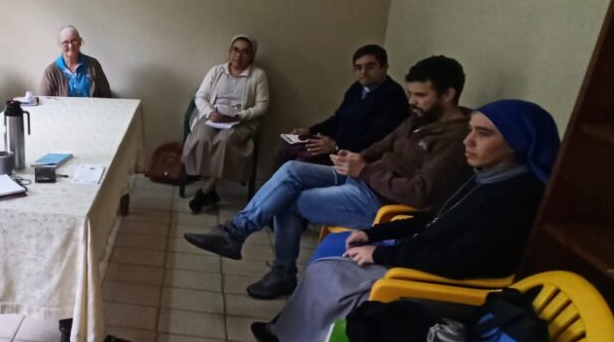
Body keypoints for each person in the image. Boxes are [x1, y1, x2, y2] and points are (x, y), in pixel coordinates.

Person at [251, 99, 559, 342]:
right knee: (327, 266)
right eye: (470, 130)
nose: (468, 141)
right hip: (423, 259)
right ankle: (287, 334)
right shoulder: (481, 175)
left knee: (337, 278)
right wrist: (372, 233)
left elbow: (458, 262)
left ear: (517, 144)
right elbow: (432, 218)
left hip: (448, 286)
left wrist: (381, 254)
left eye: (484, 134)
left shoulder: (516, 199)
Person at [184, 56, 473, 299]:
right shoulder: (422, 119)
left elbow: (420, 193)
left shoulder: (455, 139)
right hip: (362, 178)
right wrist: (357, 157)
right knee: (291, 170)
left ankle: (278, 270)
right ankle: (236, 232)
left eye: (420, 96)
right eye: (411, 94)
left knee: (288, 201)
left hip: (380, 202)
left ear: (448, 95)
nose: (412, 102)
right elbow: (384, 144)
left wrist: (365, 170)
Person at [276, 44, 408, 166]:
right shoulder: (356, 88)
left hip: (356, 153)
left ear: (385, 67)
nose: (363, 72)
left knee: (299, 163)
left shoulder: (392, 95)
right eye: (358, 67)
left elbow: (377, 138)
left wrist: (336, 145)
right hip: (336, 142)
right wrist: (310, 130)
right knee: (286, 148)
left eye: (370, 67)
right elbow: (339, 117)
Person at [184, 34, 270, 212]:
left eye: (245, 52)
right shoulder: (217, 71)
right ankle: (210, 189)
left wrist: (240, 116)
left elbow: (263, 106)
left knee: (225, 142)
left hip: (239, 121)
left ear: (252, 56)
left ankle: (207, 189)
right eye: (235, 50)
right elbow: (200, 96)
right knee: (201, 139)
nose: (238, 56)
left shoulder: (258, 75)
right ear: (229, 52)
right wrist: (210, 112)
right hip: (213, 117)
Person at [40, 25, 112, 98]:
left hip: (92, 109)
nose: (70, 46)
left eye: (74, 41)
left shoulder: (94, 65)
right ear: (59, 44)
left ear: (80, 42)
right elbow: (45, 101)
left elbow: (106, 94)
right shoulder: (51, 71)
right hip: (62, 109)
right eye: (65, 42)